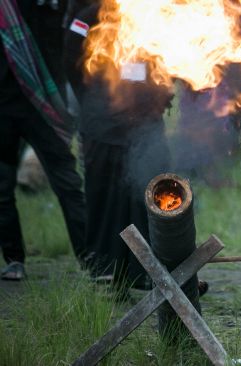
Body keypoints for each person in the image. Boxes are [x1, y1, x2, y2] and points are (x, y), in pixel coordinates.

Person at [64, 3, 172, 289]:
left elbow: (170, 65)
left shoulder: (157, 16)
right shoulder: (87, 18)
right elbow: (70, 59)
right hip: (103, 126)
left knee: (149, 195)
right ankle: (106, 268)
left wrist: (156, 103)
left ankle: (151, 271)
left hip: (146, 125)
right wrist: (93, 100)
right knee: (104, 196)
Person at [0, 0, 87, 281]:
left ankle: (91, 259)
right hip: (3, 105)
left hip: (45, 106)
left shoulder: (58, 5)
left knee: (68, 184)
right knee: (2, 187)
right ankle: (14, 259)